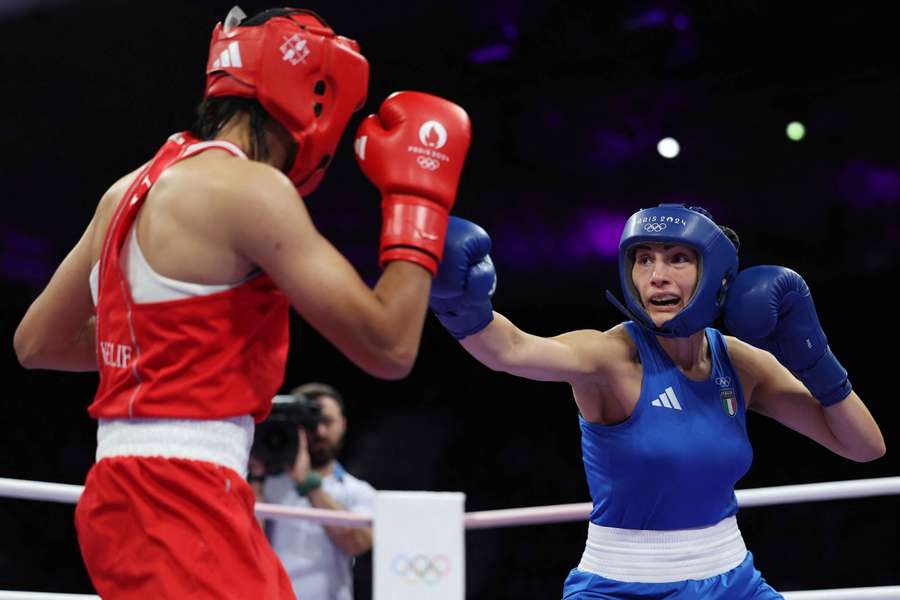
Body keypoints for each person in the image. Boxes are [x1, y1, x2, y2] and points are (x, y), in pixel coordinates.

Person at [13, 6, 471, 599]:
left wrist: (170, 353)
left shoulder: (128, 189)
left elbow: (37, 343)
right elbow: (389, 347)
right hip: (181, 498)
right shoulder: (251, 189)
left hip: (135, 492)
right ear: (315, 95)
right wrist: (419, 200)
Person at [429, 205, 885, 599]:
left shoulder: (740, 363)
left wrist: (815, 357)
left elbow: (863, 447)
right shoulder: (612, 357)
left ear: (716, 276)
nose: (657, 275)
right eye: (643, 259)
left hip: (732, 579)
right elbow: (511, 350)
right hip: (621, 585)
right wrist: (460, 304)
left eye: (678, 259)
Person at [249, 383, 375, 600]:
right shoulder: (261, 484)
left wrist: (307, 482)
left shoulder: (358, 491)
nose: (319, 432)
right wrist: (256, 478)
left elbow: (357, 544)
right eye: (310, 424)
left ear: (343, 424)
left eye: (327, 422)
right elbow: (246, 548)